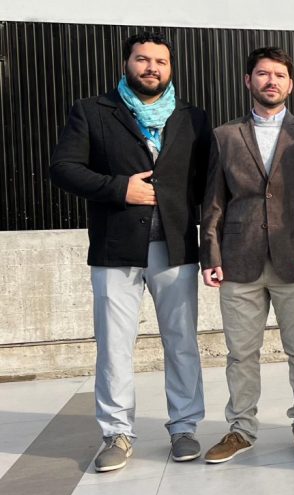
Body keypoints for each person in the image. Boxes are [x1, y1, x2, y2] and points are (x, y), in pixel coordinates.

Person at [50, 32, 209, 472]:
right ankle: (117, 433)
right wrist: (121, 188)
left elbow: (204, 183)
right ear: (127, 64)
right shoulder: (92, 111)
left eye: (160, 61)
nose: (152, 67)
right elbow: (63, 168)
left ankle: (184, 428)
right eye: (143, 59)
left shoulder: (192, 118)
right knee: (115, 346)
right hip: (115, 249)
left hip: (175, 247)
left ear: (170, 68)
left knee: (181, 343)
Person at [200, 46, 294, 463]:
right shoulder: (224, 136)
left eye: (279, 74)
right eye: (263, 74)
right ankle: (240, 430)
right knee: (241, 353)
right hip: (238, 260)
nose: (271, 81)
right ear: (248, 81)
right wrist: (211, 254)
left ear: (290, 84)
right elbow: (213, 200)